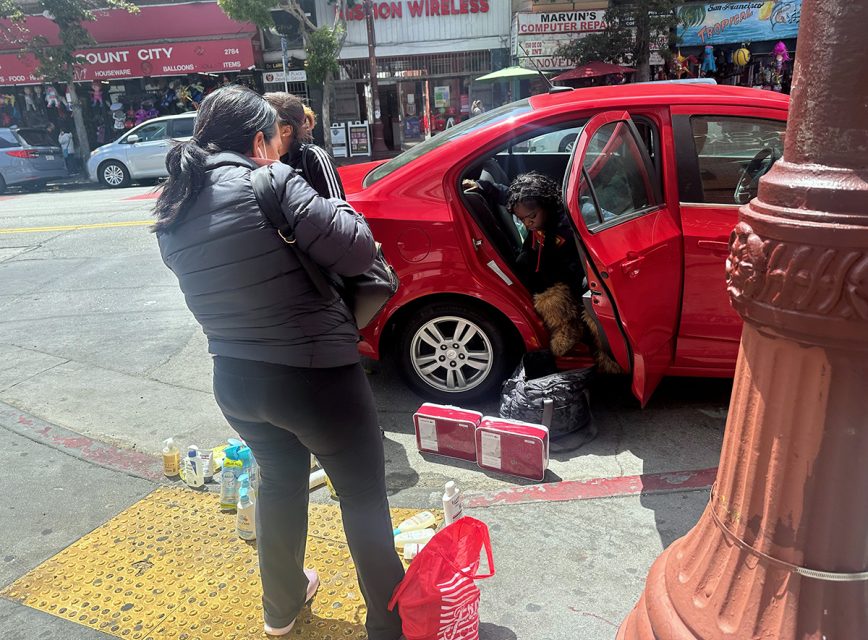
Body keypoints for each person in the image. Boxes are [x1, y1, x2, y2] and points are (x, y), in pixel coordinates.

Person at [152, 85, 404, 640]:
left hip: (237, 381)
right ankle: (391, 626)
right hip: (317, 378)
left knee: (280, 483)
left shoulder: (173, 206)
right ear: (259, 141)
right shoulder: (270, 180)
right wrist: (334, 204)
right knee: (362, 496)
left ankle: (281, 608)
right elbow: (359, 251)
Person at [466, 171, 584, 355]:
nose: (528, 223)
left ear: (546, 205)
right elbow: (507, 193)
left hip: (560, 277)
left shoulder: (565, 228)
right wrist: (483, 186)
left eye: (532, 217)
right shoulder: (531, 210)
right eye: (521, 219)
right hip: (535, 259)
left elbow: (572, 268)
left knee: (555, 302)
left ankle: (567, 331)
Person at [264, 92, 346, 199]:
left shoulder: (314, 157)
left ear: (286, 131)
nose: (257, 128)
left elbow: (338, 209)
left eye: (265, 124)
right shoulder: (259, 160)